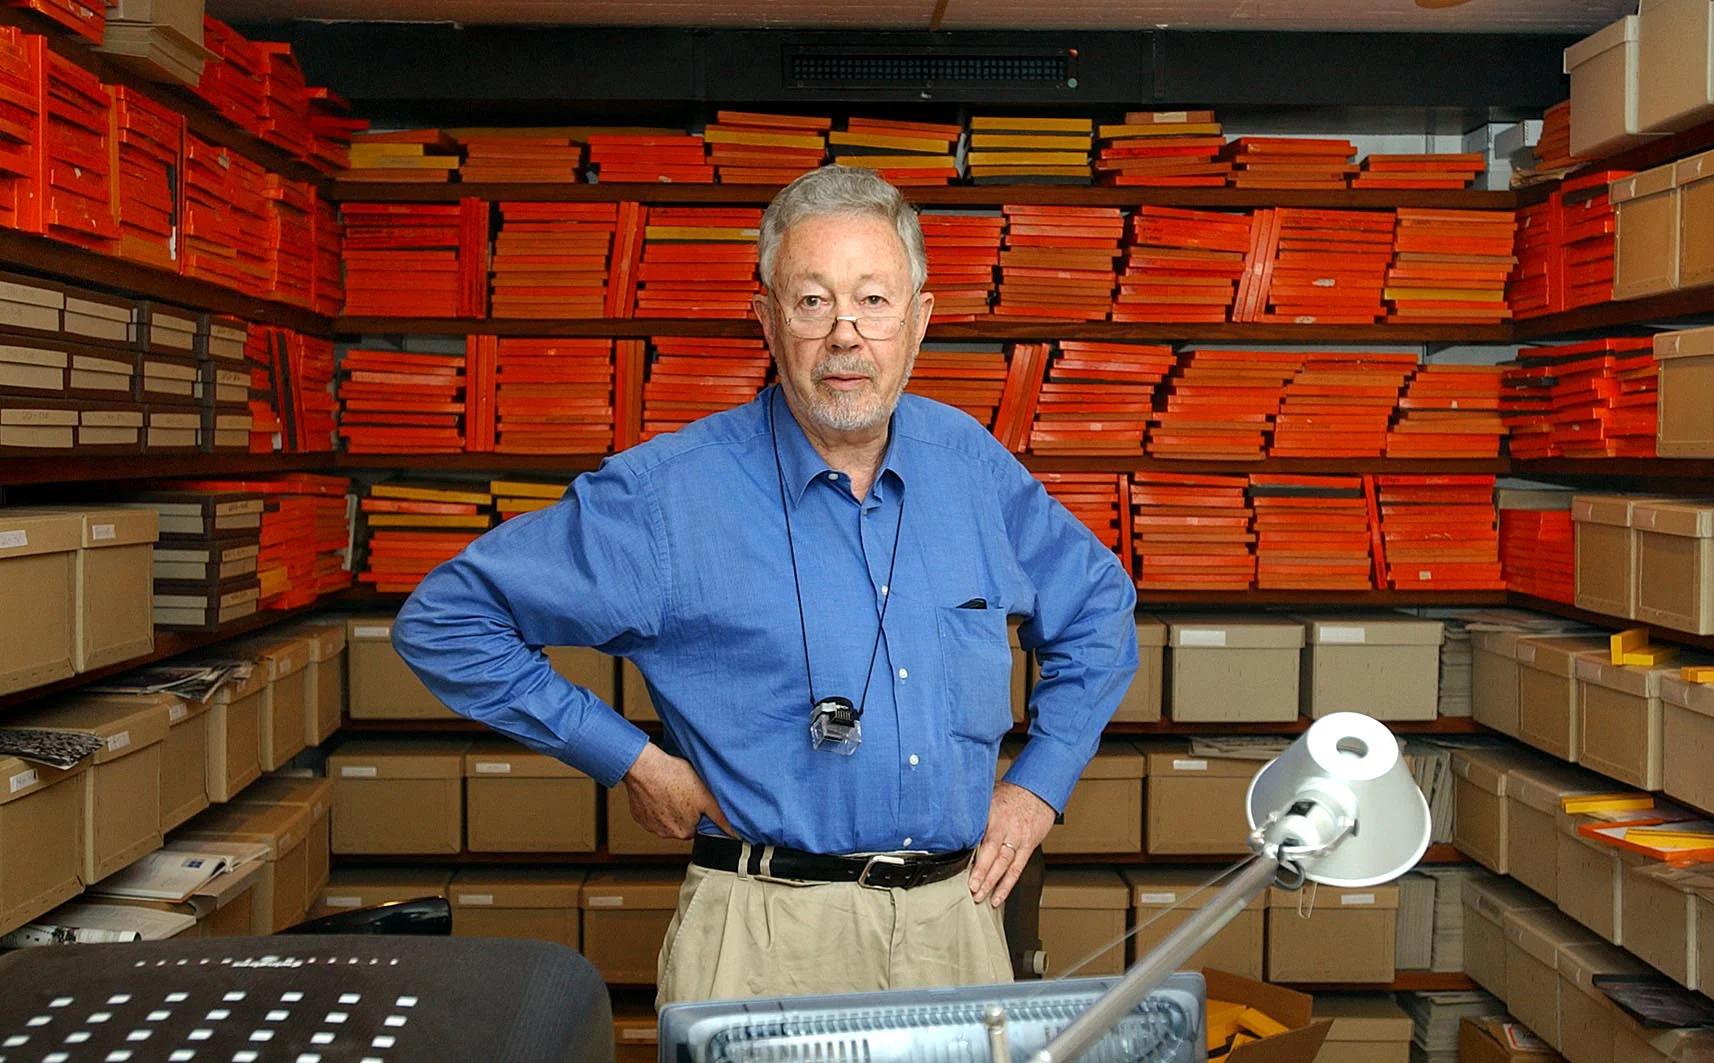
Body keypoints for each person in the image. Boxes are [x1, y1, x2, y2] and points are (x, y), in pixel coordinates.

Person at [392, 164, 1138, 1005]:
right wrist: (633, 761)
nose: (846, 335)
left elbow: (1099, 608)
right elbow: (446, 619)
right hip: (762, 938)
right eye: (813, 301)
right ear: (767, 319)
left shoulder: (971, 467)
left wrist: (1041, 783)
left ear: (920, 319)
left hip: (954, 931)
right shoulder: (666, 497)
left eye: (875, 300)